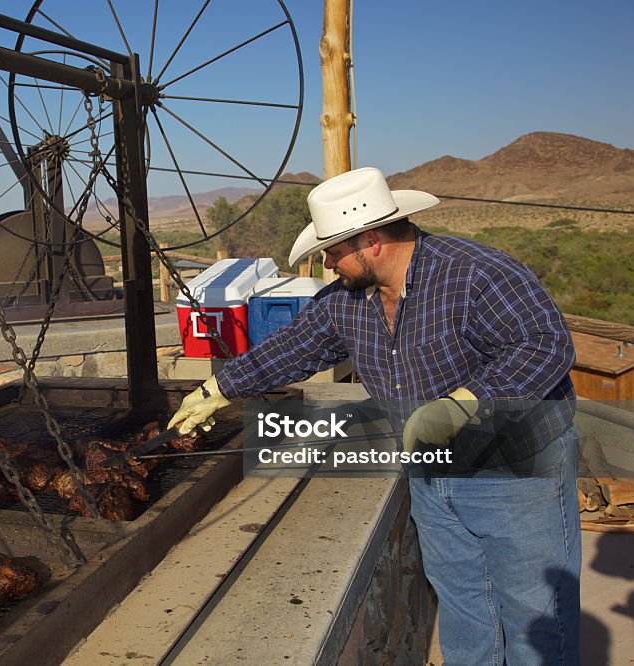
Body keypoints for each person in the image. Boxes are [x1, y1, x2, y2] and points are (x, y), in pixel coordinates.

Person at [168, 167, 580, 665]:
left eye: (333, 250)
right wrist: (218, 388)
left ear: (372, 240)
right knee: (467, 615)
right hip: (433, 478)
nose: (326, 261)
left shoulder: (476, 273)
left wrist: (464, 403)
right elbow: (294, 347)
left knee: (536, 621)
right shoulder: (348, 300)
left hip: (513, 473)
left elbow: (545, 344)